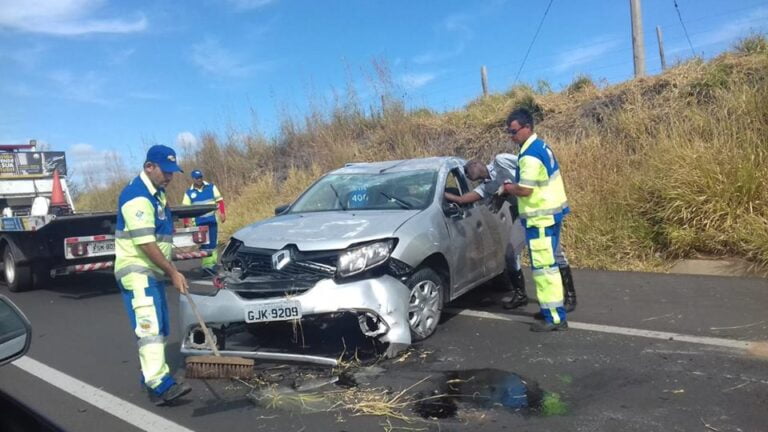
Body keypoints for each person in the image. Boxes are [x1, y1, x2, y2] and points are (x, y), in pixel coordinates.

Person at [115, 145, 191, 405]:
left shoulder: (156, 194)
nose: (169, 177)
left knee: (160, 326)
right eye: (165, 171)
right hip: (137, 270)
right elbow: (146, 243)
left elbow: (159, 237)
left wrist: (170, 262)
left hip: (151, 270)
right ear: (149, 166)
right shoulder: (137, 196)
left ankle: (150, 376)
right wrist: (173, 272)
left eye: (172, 172)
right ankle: (160, 384)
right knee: (150, 327)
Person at [499, 108, 571, 331]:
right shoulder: (540, 147)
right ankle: (552, 309)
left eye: (513, 131)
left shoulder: (529, 156)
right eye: (509, 132)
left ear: (527, 127)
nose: (511, 136)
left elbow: (525, 190)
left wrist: (507, 188)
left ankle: (555, 318)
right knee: (549, 266)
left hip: (540, 220)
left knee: (544, 270)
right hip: (551, 214)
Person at [444, 154, 527, 300]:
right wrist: (440, 194)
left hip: (538, 204)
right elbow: (463, 199)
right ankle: (520, 294)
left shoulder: (501, 161)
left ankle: (565, 293)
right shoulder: (487, 187)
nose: (467, 175)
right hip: (522, 213)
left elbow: (529, 164)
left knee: (547, 255)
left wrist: (508, 189)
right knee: (511, 254)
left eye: (467, 171)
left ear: (475, 164)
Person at [182, 169, 226, 276]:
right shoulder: (189, 192)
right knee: (204, 245)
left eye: (200, 177)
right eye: (197, 178)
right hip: (199, 223)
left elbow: (219, 201)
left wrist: (222, 213)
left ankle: (212, 264)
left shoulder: (211, 187)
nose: (199, 179)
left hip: (211, 220)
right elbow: (185, 208)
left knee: (213, 243)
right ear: (193, 179)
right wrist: (186, 221)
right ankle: (206, 267)